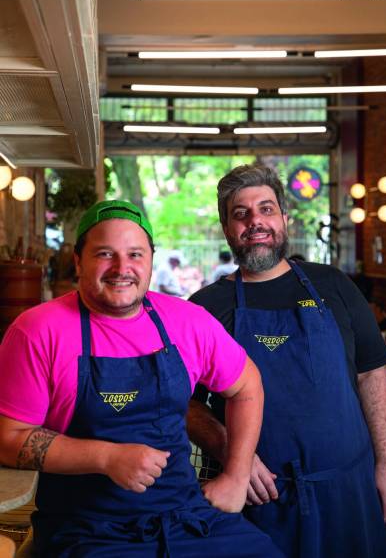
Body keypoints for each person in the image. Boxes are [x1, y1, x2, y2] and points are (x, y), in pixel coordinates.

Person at [0, 200, 281, 557]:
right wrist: (105, 458)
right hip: (87, 529)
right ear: (77, 261)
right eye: (105, 253)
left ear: (150, 259)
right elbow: (8, 440)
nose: (122, 268)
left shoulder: (187, 322)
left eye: (135, 254)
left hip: (186, 519)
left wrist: (237, 477)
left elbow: (247, 386)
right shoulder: (38, 330)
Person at [188, 164, 386, 558]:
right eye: (241, 214)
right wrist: (231, 453)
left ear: (284, 219)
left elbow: (372, 373)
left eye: (266, 209)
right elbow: (184, 402)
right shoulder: (205, 308)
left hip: (348, 489)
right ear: (227, 228)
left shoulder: (333, 285)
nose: (256, 222)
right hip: (259, 499)